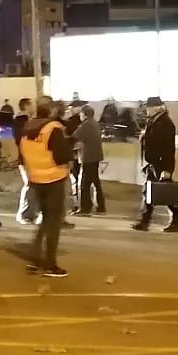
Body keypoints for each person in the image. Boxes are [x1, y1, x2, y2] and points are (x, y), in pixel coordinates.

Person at [18, 102, 72, 278]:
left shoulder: (26, 129)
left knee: (46, 220)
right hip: (54, 178)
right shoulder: (53, 129)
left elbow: (23, 154)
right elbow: (62, 155)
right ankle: (50, 264)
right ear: (51, 112)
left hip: (35, 178)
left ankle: (34, 259)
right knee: (53, 222)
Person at [133, 98, 178, 233]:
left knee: (166, 193)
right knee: (148, 191)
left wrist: (167, 169)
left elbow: (168, 148)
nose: (146, 110)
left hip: (161, 163)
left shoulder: (166, 123)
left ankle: (176, 221)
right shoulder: (153, 121)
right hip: (152, 162)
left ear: (157, 108)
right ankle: (144, 221)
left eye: (149, 107)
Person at [72, 104, 105, 215]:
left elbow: (74, 137)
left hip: (88, 158)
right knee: (95, 182)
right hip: (95, 157)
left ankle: (85, 208)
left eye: (80, 114)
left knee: (84, 184)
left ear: (84, 114)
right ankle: (101, 207)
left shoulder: (85, 125)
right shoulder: (95, 123)